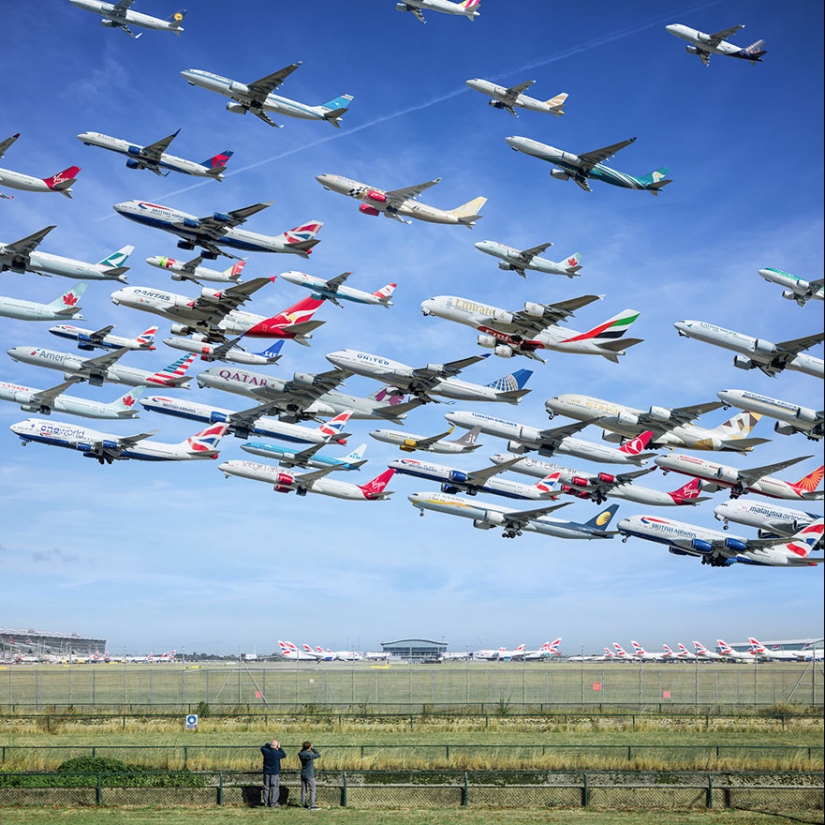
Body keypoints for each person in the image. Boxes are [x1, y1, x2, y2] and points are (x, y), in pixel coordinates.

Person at [260, 739, 286, 807]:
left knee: (266, 787)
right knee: (275, 787)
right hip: (275, 772)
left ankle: (266, 802)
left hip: (266, 771)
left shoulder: (266, 751)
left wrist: (269, 745)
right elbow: (283, 755)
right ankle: (273, 803)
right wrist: (280, 748)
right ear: (276, 746)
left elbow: (262, 747)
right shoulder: (277, 753)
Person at [298, 740, 321, 809]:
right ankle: (312, 805)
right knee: (312, 789)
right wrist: (312, 748)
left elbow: (302, 751)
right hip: (309, 774)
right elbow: (318, 754)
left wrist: (307, 748)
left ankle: (303, 803)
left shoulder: (300, 754)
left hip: (303, 773)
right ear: (309, 747)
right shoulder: (309, 755)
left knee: (303, 789)